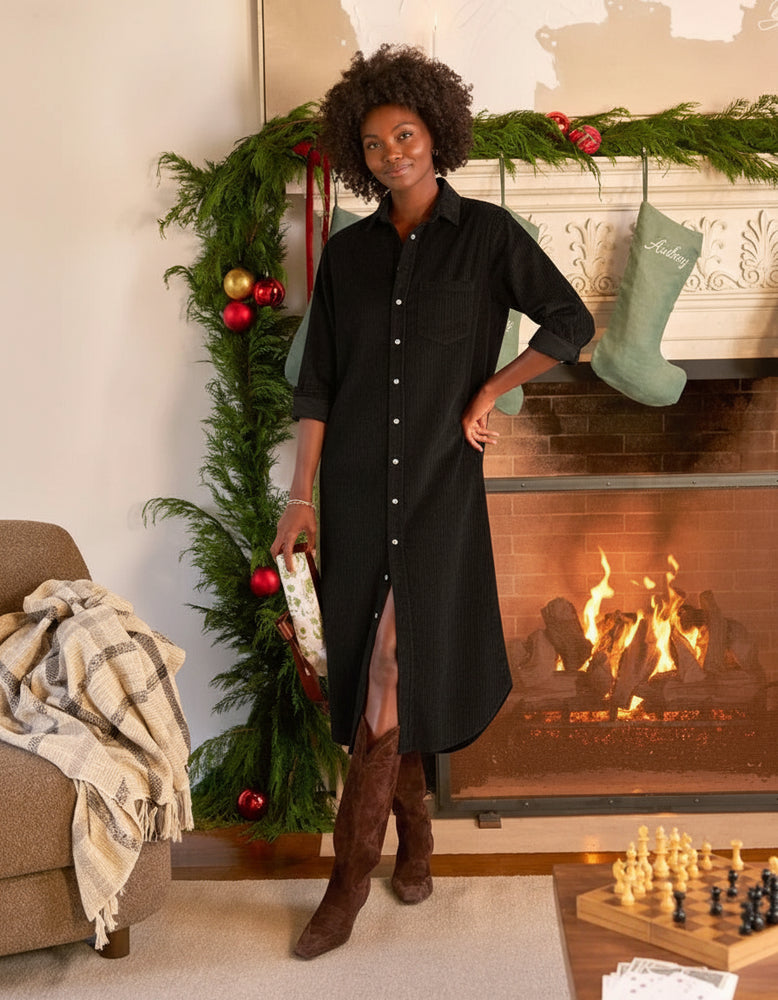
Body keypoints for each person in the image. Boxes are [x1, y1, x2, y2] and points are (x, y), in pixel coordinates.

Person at [271, 43, 594, 960]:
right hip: (357, 488)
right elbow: (320, 385)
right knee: (380, 676)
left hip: (443, 490)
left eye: (404, 135)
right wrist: (301, 497)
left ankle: (344, 889)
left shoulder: (489, 237)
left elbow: (571, 322)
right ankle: (413, 836)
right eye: (372, 144)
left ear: (434, 134)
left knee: (387, 670)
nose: (391, 154)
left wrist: (490, 391)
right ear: (357, 154)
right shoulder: (347, 257)